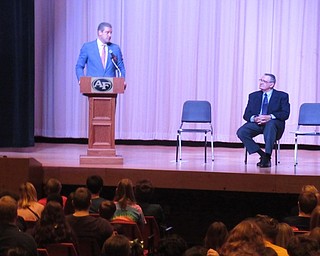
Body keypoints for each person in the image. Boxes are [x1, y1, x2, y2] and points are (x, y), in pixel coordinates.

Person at [237, 73, 290, 168]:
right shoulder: (253, 96)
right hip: (258, 124)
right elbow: (246, 115)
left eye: (264, 81)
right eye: (260, 80)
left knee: (270, 125)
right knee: (242, 132)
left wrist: (270, 117)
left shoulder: (282, 96)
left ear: (271, 84)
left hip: (274, 125)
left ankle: (268, 154)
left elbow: (285, 114)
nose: (261, 83)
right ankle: (263, 155)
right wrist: (255, 118)